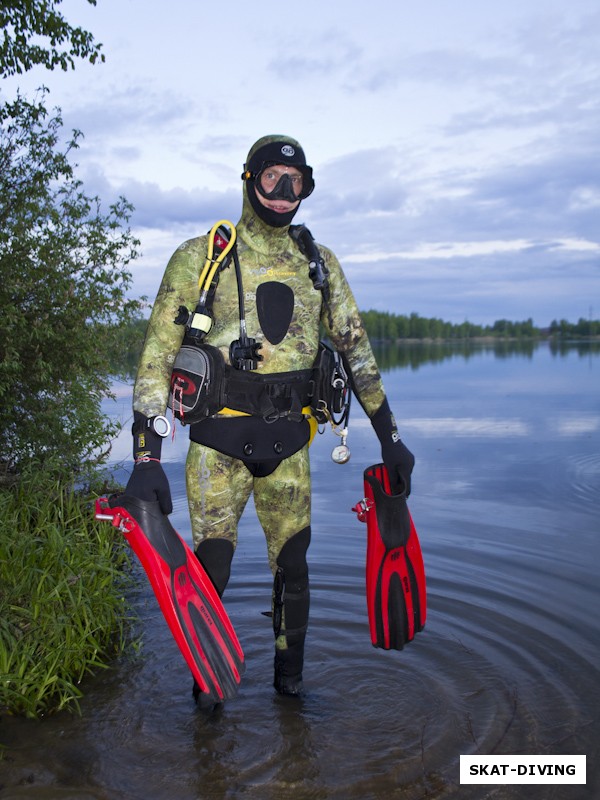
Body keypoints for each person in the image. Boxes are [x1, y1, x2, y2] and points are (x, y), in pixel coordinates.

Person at [125, 135, 415, 697]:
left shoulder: (319, 264)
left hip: (290, 448)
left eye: (296, 181)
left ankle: (291, 693)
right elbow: (158, 356)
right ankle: (206, 702)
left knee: (296, 569)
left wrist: (391, 438)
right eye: (272, 178)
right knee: (212, 570)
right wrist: (146, 457)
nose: (284, 193)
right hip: (217, 448)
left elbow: (356, 352)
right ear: (248, 178)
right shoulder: (200, 258)